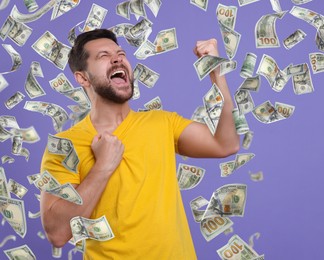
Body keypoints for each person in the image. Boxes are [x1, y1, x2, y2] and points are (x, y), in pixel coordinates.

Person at [40, 29, 239, 259]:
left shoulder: (162, 123)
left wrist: (215, 71)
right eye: (103, 56)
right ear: (82, 77)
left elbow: (226, 144)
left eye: (121, 53)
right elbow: (57, 233)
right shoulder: (64, 145)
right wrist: (102, 167)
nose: (117, 58)